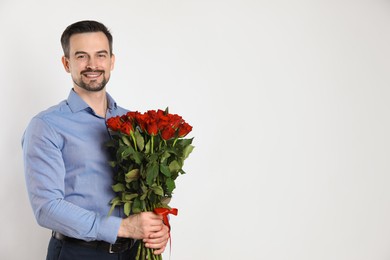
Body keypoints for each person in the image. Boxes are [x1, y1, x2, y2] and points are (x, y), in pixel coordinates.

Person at [22, 20, 170, 260]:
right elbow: (46, 208)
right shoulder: (46, 126)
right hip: (79, 252)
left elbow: (147, 188)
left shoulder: (133, 122)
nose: (92, 65)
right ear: (66, 63)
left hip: (134, 252)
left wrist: (158, 228)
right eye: (81, 56)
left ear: (111, 61)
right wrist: (122, 228)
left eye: (100, 55)